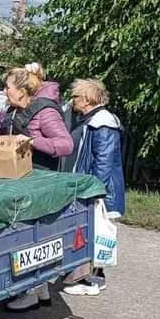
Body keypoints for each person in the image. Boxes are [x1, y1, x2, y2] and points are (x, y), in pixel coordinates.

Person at [0, 64, 74, 312]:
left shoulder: (44, 112)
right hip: (17, 183)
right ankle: (39, 288)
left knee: (31, 237)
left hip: (39, 183)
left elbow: (65, 145)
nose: (4, 90)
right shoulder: (12, 110)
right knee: (26, 236)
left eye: (7, 86)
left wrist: (33, 140)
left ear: (21, 90)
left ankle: (30, 291)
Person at [62, 78, 126, 297]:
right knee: (88, 232)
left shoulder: (103, 122)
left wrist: (95, 191)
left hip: (98, 191)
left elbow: (104, 162)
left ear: (88, 99)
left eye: (76, 97)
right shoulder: (90, 119)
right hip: (87, 186)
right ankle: (82, 275)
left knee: (97, 234)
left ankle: (94, 281)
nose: (73, 101)